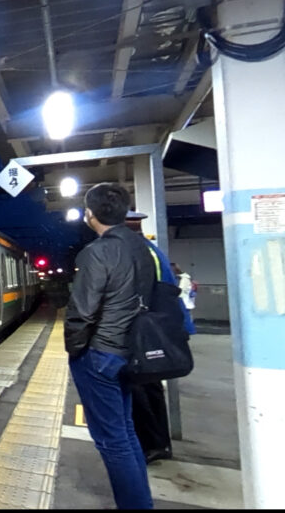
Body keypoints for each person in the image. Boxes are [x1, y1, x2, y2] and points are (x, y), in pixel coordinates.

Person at [66, 183, 154, 510]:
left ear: (90, 214)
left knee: (112, 442)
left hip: (100, 354)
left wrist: (76, 351)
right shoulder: (141, 248)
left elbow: (82, 311)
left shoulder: (96, 252)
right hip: (130, 353)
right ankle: (140, 502)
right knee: (126, 434)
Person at [125, 212, 195, 464]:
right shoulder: (151, 249)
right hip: (161, 326)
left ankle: (150, 446)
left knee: (139, 387)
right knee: (151, 387)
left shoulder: (137, 252)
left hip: (150, 330)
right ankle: (159, 443)